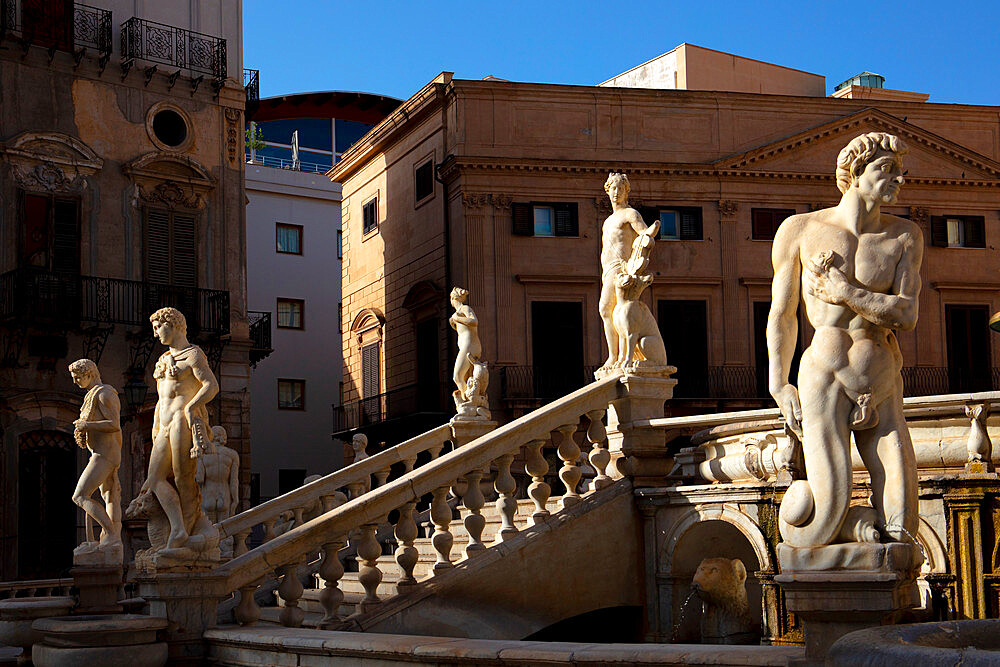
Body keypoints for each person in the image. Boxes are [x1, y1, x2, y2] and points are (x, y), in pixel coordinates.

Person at [767, 132, 921, 548]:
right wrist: (778, 382)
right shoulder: (800, 229)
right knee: (824, 509)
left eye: (900, 172)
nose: (898, 179)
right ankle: (852, 534)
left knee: (905, 515)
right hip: (824, 375)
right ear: (855, 173)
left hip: (882, 379)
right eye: (886, 170)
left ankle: (896, 586)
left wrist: (847, 293)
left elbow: (907, 314)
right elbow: (782, 314)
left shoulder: (905, 237)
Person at [142, 306, 219, 553]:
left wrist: (192, 406)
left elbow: (211, 385)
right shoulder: (163, 360)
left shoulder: (193, 355)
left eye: (158, 327)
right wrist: (155, 427)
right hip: (163, 424)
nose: (155, 334)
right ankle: (178, 529)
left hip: (180, 422)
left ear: (173, 325)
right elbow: (160, 398)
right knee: (154, 479)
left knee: (183, 478)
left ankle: (182, 531)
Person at [598, 173, 659, 370]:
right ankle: (618, 355)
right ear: (608, 191)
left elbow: (643, 234)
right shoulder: (608, 221)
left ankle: (614, 356)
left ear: (626, 192)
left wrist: (653, 230)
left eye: (620, 189)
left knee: (605, 308)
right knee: (612, 311)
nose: (616, 193)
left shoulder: (630, 214)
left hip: (620, 268)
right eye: (613, 189)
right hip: (607, 270)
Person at [69, 358, 122, 556]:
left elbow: (114, 424)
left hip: (105, 455)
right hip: (100, 453)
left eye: (77, 377)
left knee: (80, 495)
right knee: (109, 497)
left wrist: (86, 426)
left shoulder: (105, 393)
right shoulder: (92, 395)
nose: (75, 382)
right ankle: (108, 540)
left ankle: (111, 533)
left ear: (89, 374)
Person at [195, 425, 240, 524]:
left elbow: (199, 479)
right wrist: (235, 499)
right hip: (224, 495)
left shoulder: (203, 455)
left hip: (208, 495)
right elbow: (234, 481)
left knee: (209, 531)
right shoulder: (232, 455)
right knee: (224, 533)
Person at [448, 287, 482, 401]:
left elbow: (474, 321)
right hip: (467, 346)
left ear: (453, 298)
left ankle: (467, 402)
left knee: (457, 377)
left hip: (470, 346)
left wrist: (457, 318)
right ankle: (469, 400)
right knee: (467, 378)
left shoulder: (465, 308)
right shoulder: (457, 314)